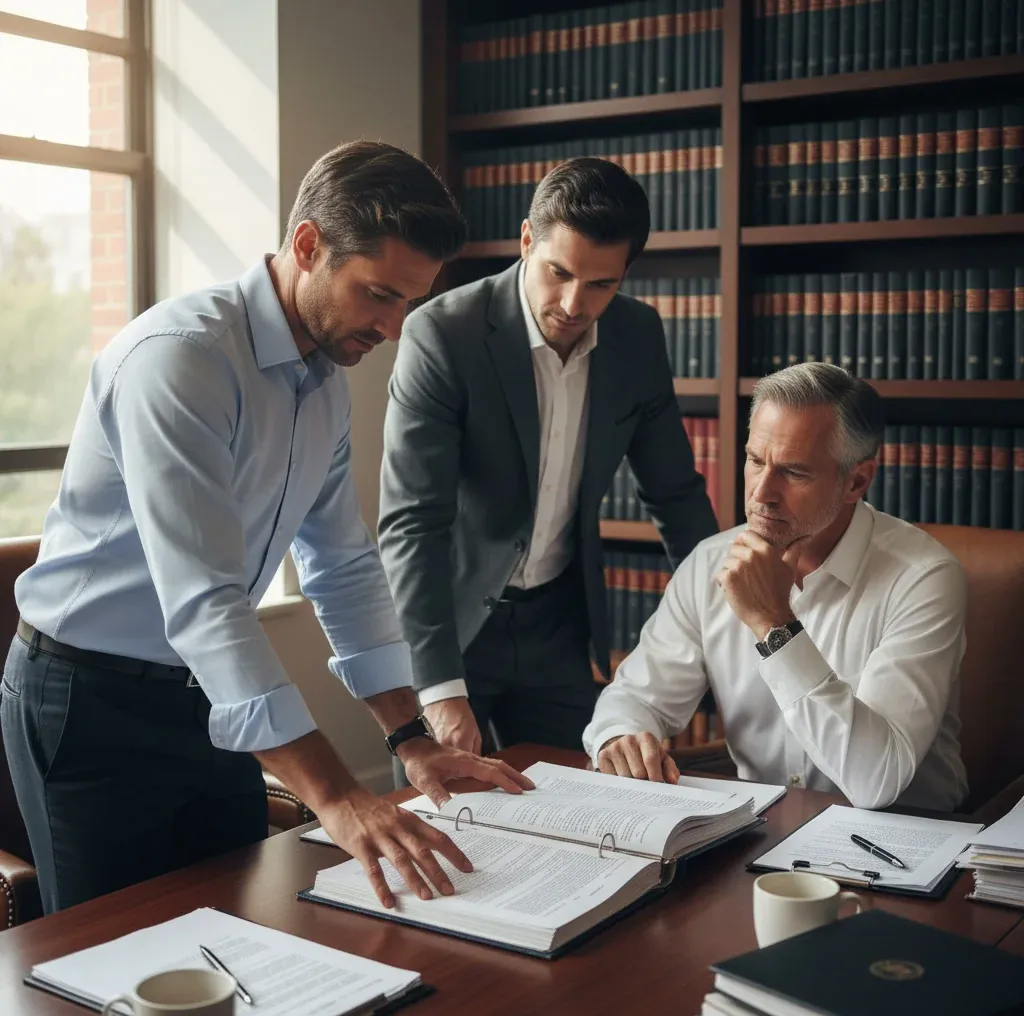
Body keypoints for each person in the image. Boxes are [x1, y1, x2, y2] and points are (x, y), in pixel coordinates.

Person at [2, 140, 531, 916]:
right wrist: (338, 797)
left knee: (233, 927)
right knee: (112, 961)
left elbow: (344, 569)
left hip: (207, 703)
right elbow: (207, 602)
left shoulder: (322, 383)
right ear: (308, 245)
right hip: (88, 703)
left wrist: (410, 737)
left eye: (408, 303)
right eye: (378, 293)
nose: (391, 329)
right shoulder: (179, 361)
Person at [378, 157, 718, 768]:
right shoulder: (442, 335)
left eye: (600, 285)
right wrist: (437, 685)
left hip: (560, 627)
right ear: (527, 239)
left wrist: (729, 624)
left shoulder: (637, 336)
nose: (572, 302)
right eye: (557, 272)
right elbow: (412, 523)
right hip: (451, 624)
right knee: (446, 819)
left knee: (581, 811)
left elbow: (675, 495)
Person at [585, 362, 969, 812]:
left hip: (908, 842)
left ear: (856, 481)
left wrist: (773, 624)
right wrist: (621, 736)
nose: (762, 492)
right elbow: (634, 697)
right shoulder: (710, 561)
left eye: (794, 472)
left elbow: (876, 781)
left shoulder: (923, 578)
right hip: (761, 833)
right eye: (754, 460)